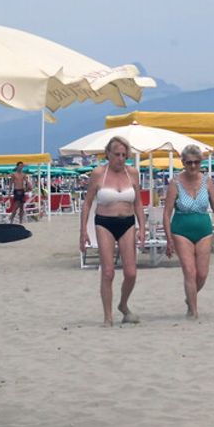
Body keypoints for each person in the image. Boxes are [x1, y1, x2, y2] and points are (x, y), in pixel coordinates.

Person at [80, 136, 144, 326]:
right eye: (117, 154)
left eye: (124, 155)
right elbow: (87, 203)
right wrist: (83, 230)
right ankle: (108, 317)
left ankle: (123, 305)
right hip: (104, 222)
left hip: (128, 222)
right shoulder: (99, 173)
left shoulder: (132, 173)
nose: (121, 158)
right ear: (108, 154)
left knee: (131, 273)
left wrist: (143, 227)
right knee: (108, 272)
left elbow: (138, 202)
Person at [163, 145, 214, 319]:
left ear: (201, 162)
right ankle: (193, 311)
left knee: (202, 274)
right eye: (189, 163)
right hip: (181, 229)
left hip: (203, 229)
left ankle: (190, 297)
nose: (193, 166)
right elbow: (166, 213)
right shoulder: (175, 183)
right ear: (183, 163)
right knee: (189, 271)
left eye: (196, 162)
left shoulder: (207, 181)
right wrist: (169, 238)